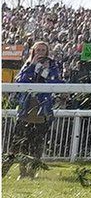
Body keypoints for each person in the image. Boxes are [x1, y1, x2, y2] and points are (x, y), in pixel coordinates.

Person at [4, 41, 59, 179]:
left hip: (43, 110)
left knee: (37, 144)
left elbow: (56, 83)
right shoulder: (27, 65)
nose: (40, 52)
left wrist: (45, 71)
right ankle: (20, 173)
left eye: (43, 50)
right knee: (19, 143)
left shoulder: (52, 65)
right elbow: (19, 82)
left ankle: (32, 173)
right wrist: (32, 66)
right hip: (25, 110)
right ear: (33, 52)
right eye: (38, 50)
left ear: (47, 52)